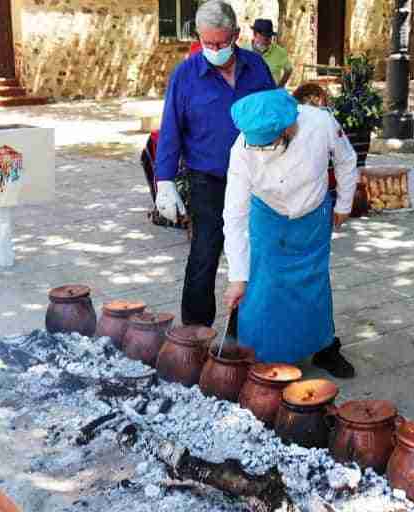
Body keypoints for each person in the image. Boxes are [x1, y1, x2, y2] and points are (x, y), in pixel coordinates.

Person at [153, 0, 276, 327]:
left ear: (236, 34)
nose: (215, 50)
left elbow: (275, 115)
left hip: (257, 176)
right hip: (208, 178)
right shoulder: (186, 75)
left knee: (253, 253)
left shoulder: (257, 68)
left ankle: (243, 330)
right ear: (199, 36)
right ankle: (194, 335)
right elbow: (170, 130)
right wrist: (163, 182)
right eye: (208, 43)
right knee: (205, 254)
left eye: (222, 43)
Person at [221, 89, 358, 378]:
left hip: (313, 214)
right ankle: (261, 358)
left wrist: (345, 203)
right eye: (258, 146)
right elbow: (234, 216)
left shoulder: (320, 123)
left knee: (314, 283)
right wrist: (237, 278)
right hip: (268, 216)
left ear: (289, 127)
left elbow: (346, 160)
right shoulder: (241, 149)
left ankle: (323, 348)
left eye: (270, 144)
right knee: (264, 286)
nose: (262, 152)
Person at [241, 19, 293, 88]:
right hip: (249, 94)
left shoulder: (279, 52)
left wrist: (280, 86)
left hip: (270, 94)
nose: (267, 41)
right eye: (264, 37)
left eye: (269, 37)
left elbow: (288, 69)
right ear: (255, 34)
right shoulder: (243, 50)